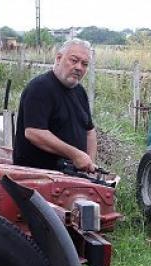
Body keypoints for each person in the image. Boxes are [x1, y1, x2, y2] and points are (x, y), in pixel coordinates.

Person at [13, 38, 97, 172]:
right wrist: (75, 154)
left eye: (84, 64)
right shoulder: (40, 87)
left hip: (69, 176)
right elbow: (34, 132)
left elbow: (89, 132)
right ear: (58, 58)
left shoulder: (79, 91)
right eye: (74, 60)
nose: (79, 67)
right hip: (38, 177)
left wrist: (89, 164)